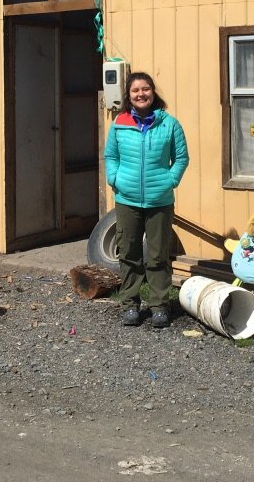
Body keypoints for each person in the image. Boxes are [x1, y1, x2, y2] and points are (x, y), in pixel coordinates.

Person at [104, 72, 189, 328]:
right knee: (128, 252)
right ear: (128, 96)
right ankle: (130, 304)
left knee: (158, 255)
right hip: (127, 198)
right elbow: (111, 155)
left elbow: (181, 158)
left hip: (159, 201)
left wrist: (170, 180)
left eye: (146, 89)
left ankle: (159, 306)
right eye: (135, 90)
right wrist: (114, 178)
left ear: (153, 92)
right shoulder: (120, 122)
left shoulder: (169, 124)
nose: (141, 94)